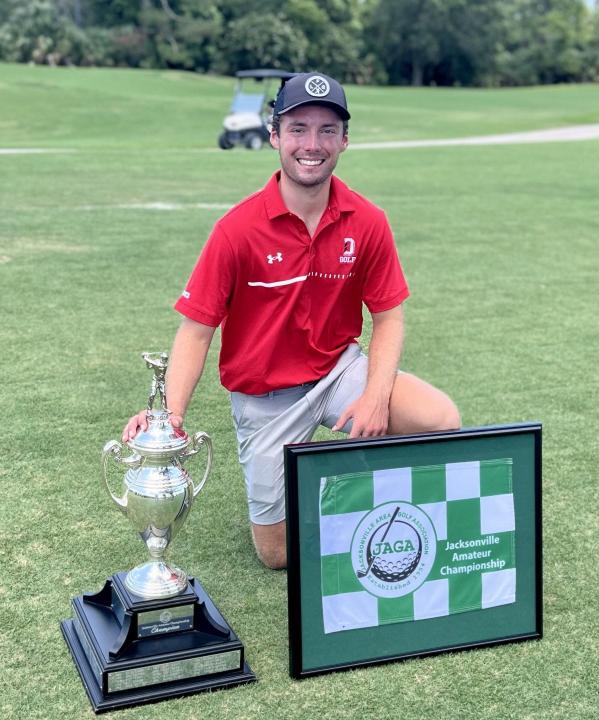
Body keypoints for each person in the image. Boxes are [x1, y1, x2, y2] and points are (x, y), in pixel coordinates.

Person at [123, 72, 460, 569]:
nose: (312, 144)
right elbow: (197, 331)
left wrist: (373, 397)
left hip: (338, 373)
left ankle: (383, 506)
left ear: (345, 140)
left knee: (439, 419)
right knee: (277, 555)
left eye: (327, 130)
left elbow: (388, 317)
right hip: (266, 401)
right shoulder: (236, 230)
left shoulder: (367, 221)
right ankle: (323, 489)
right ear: (274, 135)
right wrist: (168, 419)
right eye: (298, 128)